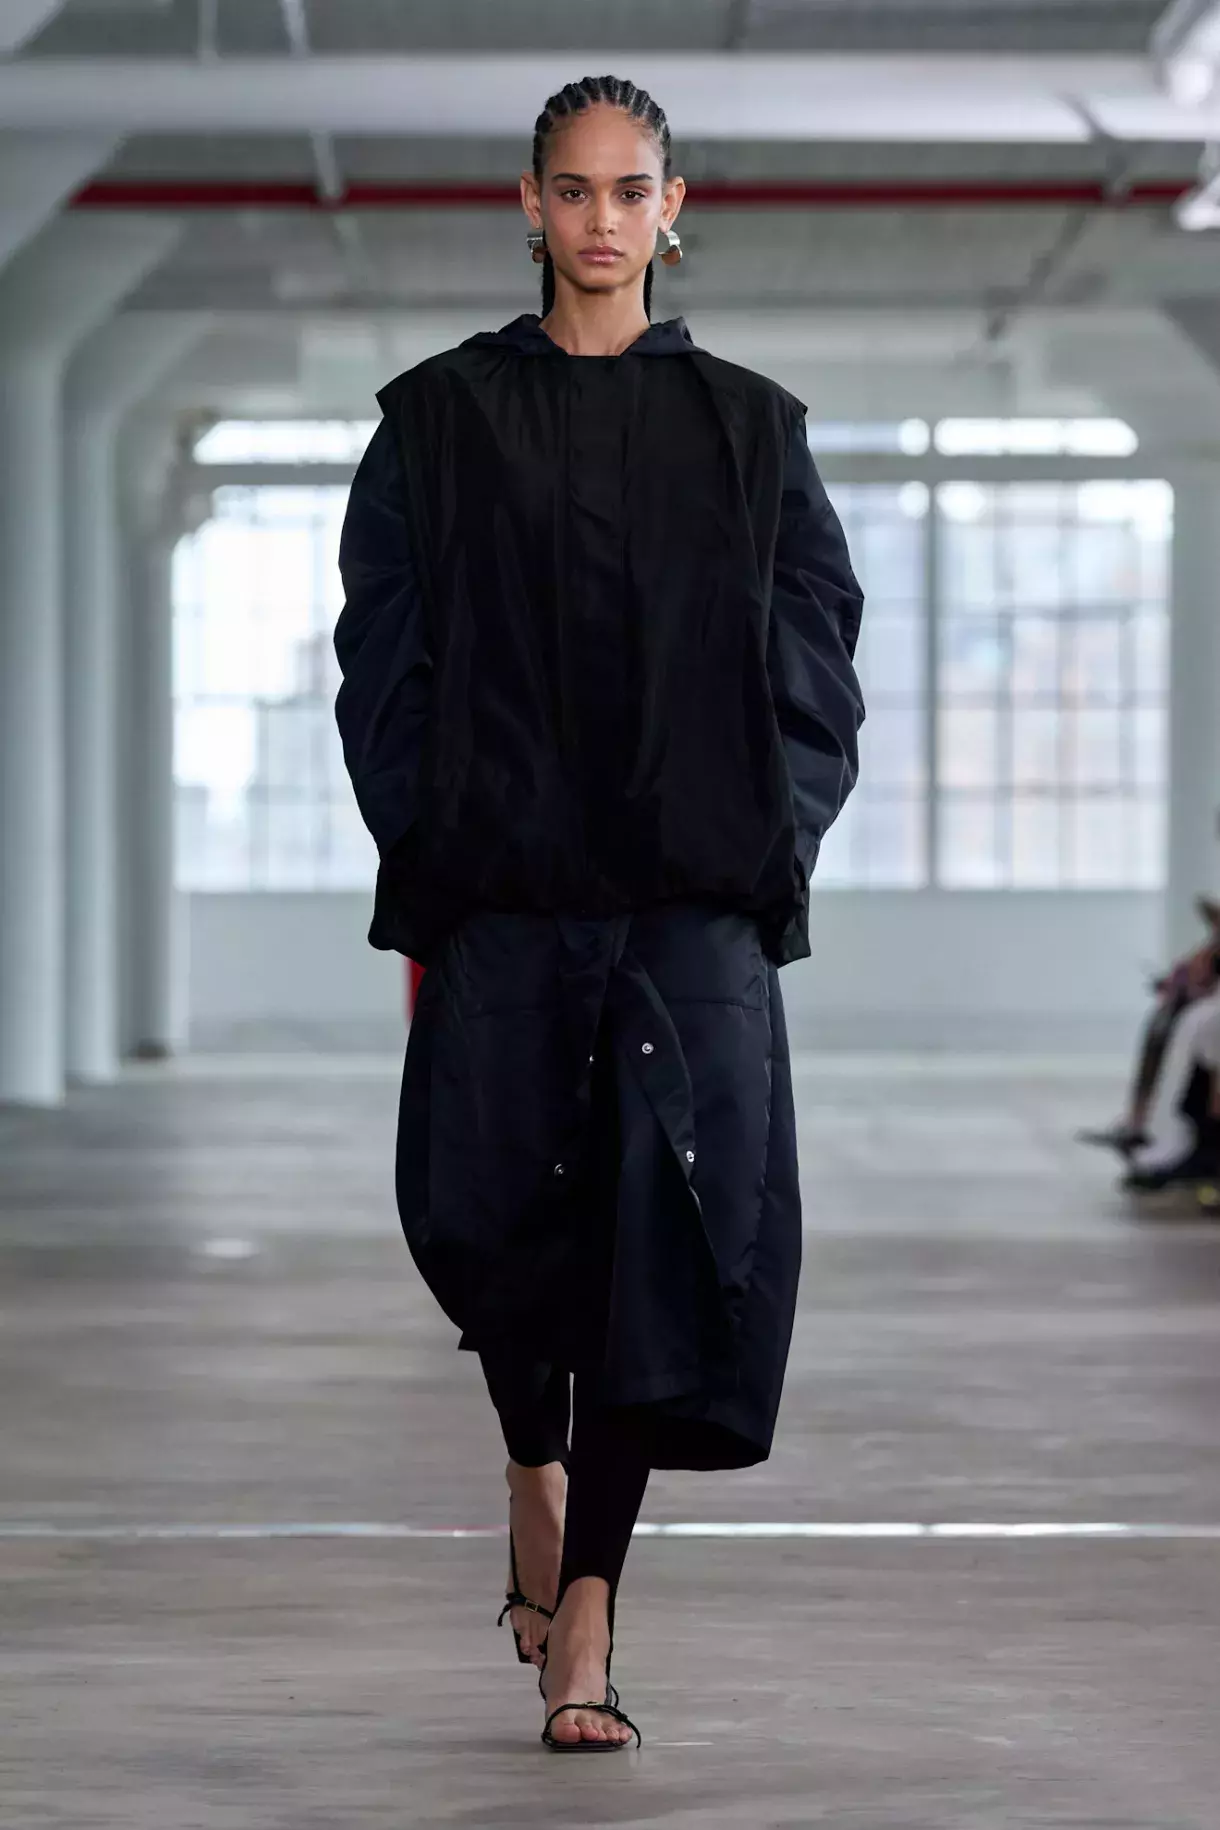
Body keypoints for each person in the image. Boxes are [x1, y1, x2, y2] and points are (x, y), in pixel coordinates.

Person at [333, 73, 864, 1753]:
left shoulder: (752, 429)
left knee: (659, 1232)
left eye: (631, 191)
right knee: (490, 1211)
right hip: (507, 891)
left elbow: (817, 660)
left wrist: (768, 833)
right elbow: (381, 660)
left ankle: (589, 1608)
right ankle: (528, 1461)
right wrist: (434, 835)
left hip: (689, 903)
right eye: (572, 190)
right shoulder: (436, 421)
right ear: (530, 204)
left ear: (671, 207)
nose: (602, 221)